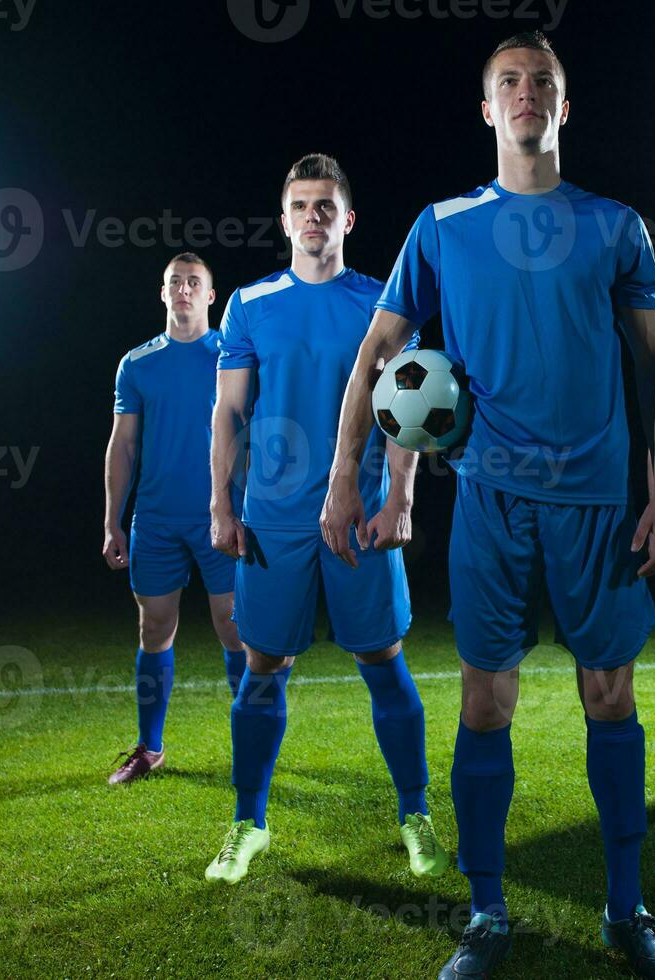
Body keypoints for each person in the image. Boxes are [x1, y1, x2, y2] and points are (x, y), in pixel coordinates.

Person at [322, 32, 655, 980]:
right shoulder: (441, 226)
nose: (527, 94)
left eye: (544, 84)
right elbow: (379, 358)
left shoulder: (614, 225)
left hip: (601, 504)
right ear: (487, 110)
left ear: (565, 108)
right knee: (486, 703)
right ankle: (486, 917)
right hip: (489, 500)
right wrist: (344, 475)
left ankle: (625, 909)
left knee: (609, 694)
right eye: (509, 83)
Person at [202, 154, 447, 885]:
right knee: (262, 668)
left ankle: (414, 814)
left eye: (325, 206)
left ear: (347, 219)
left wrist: (401, 497)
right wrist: (219, 502)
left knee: (381, 659)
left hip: (363, 514)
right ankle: (248, 824)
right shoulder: (249, 303)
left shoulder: (382, 304)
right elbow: (228, 412)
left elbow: (410, 407)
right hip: (272, 519)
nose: (313, 217)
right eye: (301, 206)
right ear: (284, 220)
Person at [103, 252, 245, 785]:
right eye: (174, 282)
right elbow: (124, 445)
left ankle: (250, 744)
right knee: (154, 628)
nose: (183, 289)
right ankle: (150, 748)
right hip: (157, 520)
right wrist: (112, 519)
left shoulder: (232, 355)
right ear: (163, 293)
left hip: (221, 516)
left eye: (194, 282)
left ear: (211, 296)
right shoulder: (137, 364)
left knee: (235, 631)